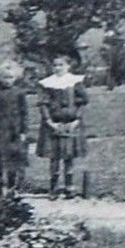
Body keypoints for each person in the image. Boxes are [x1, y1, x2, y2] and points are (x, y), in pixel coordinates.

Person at [35, 52, 89, 198]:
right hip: (53, 124)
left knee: (68, 155)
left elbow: (82, 102)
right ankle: (53, 187)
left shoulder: (75, 82)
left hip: (71, 123)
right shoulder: (47, 83)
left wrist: (77, 120)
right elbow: (43, 104)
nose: (58, 68)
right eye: (55, 65)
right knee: (54, 157)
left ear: (68, 66)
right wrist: (49, 121)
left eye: (61, 65)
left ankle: (69, 186)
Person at [0, 62, 30, 198]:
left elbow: (24, 113)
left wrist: (23, 131)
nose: (8, 80)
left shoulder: (19, 93)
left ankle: (11, 186)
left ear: (15, 78)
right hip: (0, 129)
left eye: (11, 77)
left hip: (14, 130)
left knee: (13, 159)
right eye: (5, 77)